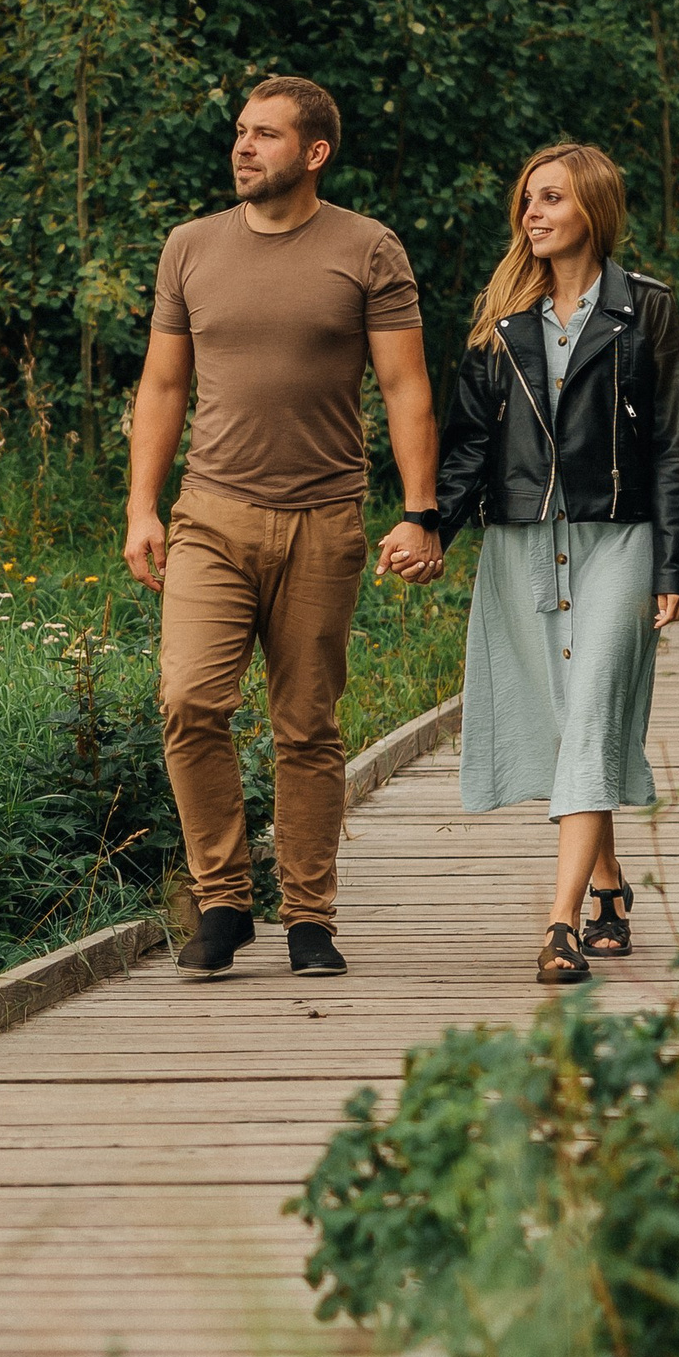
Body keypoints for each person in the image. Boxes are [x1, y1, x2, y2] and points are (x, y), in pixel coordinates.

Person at [124, 78, 444, 981]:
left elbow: (405, 386)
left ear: (314, 152)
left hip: (323, 519)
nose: (243, 146)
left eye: (265, 134)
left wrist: (420, 510)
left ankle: (309, 915)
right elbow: (163, 385)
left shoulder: (367, 248)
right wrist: (142, 505)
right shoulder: (190, 247)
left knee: (306, 724)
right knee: (189, 700)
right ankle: (224, 899)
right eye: (240, 131)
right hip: (210, 515)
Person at [432, 143, 679, 986]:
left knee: (590, 712)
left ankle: (559, 923)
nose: (532, 213)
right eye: (528, 200)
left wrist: (675, 562)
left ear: (594, 208)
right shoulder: (502, 317)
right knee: (566, 719)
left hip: (619, 536)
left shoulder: (646, 308)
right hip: (523, 540)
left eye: (551, 197)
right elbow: (468, 444)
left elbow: (672, 443)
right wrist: (429, 526)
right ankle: (609, 882)